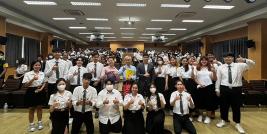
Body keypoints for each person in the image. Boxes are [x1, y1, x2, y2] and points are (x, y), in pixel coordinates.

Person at [216, 53, 255, 134]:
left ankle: (237, 123)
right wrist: (217, 89)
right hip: (224, 88)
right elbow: (218, 79)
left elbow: (252, 64)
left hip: (236, 89)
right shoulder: (220, 67)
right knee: (223, 106)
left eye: (229, 57)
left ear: (233, 58)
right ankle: (223, 120)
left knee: (236, 107)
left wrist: (244, 60)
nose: (227, 59)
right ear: (223, 58)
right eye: (226, 57)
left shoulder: (239, 65)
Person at [22, 61, 46, 132]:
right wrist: (33, 79)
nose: (37, 66)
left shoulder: (42, 73)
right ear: (32, 66)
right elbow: (25, 85)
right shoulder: (28, 74)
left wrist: (41, 88)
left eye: (39, 65)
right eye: (36, 65)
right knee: (31, 108)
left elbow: (44, 82)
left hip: (40, 91)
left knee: (39, 107)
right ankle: (31, 124)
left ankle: (40, 123)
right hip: (31, 91)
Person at [193, 56, 217, 124]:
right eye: (202, 60)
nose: (204, 61)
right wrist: (199, 84)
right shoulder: (197, 68)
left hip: (209, 87)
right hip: (200, 87)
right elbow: (194, 78)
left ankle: (208, 117)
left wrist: (214, 72)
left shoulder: (210, 68)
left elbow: (214, 79)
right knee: (200, 102)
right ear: (200, 61)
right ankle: (200, 115)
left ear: (207, 61)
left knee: (209, 102)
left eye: (205, 60)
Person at [68, 57, 88, 124]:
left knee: (81, 100)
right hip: (73, 86)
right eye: (78, 60)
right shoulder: (72, 68)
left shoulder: (85, 69)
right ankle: (73, 115)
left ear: (82, 62)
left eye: (81, 60)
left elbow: (87, 78)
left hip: (81, 86)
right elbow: (68, 78)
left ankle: (81, 115)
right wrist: (73, 75)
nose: (79, 61)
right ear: (76, 61)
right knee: (73, 100)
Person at [86, 51, 104, 118]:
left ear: (98, 57)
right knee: (90, 95)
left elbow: (102, 74)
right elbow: (86, 74)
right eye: (94, 57)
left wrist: (98, 81)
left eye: (97, 57)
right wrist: (90, 72)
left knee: (98, 95)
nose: (95, 58)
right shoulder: (89, 65)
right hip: (90, 82)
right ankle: (89, 110)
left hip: (98, 82)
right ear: (92, 57)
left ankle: (97, 110)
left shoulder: (101, 65)